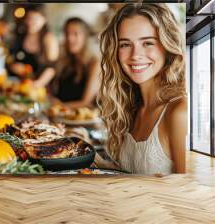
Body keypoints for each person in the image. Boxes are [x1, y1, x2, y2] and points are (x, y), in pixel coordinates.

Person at [96, 3, 187, 175]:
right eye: (125, 45)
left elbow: (188, 191)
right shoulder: (131, 106)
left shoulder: (178, 112)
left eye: (147, 43)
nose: (135, 55)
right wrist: (91, 157)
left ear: (167, 46)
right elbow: (135, 173)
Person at [52, 17, 101, 108]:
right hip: (59, 118)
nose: (70, 38)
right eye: (67, 33)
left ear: (85, 37)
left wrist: (59, 106)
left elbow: (86, 102)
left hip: (81, 120)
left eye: (75, 34)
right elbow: (55, 94)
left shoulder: (94, 64)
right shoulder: (64, 62)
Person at [9, 4, 59, 88]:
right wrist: (13, 66)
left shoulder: (49, 39)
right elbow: (10, 57)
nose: (30, 22)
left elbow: (52, 68)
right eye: (29, 18)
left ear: (44, 19)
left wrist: (37, 84)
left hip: (38, 87)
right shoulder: (21, 34)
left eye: (35, 19)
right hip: (17, 82)